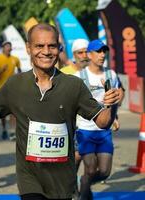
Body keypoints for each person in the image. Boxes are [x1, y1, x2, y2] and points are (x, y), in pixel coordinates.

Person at [0, 23, 121, 200]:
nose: (46, 51)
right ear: (28, 48)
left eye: (51, 46)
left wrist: (112, 107)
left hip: (62, 180)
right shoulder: (15, 84)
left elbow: (103, 122)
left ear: (58, 48)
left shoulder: (74, 85)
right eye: (39, 46)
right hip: (30, 179)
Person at [74, 39, 124, 200]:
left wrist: (114, 117)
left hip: (104, 131)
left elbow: (113, 100)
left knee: (104, 172)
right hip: (85, 130)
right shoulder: (79, 77)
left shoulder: (111, 75)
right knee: (90, 168)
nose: (102, 55)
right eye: (98, 51)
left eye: (104, 51)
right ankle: (84, 194)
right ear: (89, 54)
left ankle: (84, 182)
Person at [61, 38, 89, 199]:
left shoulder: (97, 72)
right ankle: (73, 186)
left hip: (93, 123)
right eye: (80, 52)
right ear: (74, 54)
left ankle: (77, 183)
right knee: (76, 156)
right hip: (72, 123)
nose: (84, 56)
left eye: (86, 52)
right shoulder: (65, 73)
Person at [0, 41, 21, 140]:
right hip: (0, 88)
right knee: (3, 112)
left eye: (9, 46)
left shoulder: (15, 59)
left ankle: (12, 131)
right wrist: (1, 71)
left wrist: (19, 76)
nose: (8, 48)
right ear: (3, 48)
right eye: (6, 46)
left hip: (12, 88)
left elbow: (19, 71)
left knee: (13, 111)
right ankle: (4, 129)